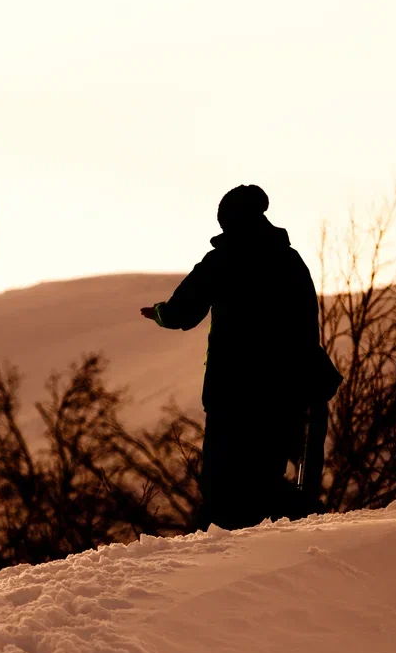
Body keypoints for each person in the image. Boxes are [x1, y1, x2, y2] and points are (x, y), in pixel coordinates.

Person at [141, 185, 335, 529]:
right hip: (284, 390)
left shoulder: (224, 259)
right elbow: (307, 323)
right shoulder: (290, 260)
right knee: (265, 473)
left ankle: (240, 550)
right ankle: (282, 533)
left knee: (222, 482)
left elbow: (182, 312)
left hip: (231, 391)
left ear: (228, 220)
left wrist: (159, 313)